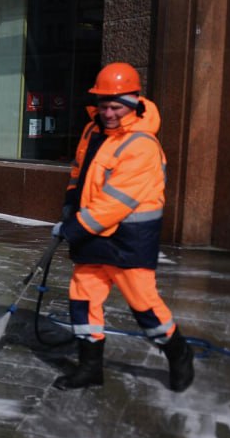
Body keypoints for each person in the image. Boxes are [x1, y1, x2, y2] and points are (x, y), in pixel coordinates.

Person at [51, 62, 194, 392]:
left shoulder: (141, 145)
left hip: (129, 238)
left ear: (132, 103)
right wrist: (70, 202)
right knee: (83, 299)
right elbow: (80, 170)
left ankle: (177, 351)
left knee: (144, 306)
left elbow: (116, 202)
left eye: (115, 106)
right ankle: (90, 367)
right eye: (104, 106)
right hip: (93, 234)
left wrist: (73, 228)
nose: (109, 113)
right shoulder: (93, 131)